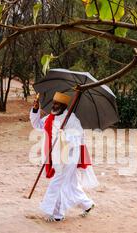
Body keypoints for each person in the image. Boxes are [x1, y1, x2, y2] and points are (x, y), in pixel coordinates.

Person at [30, 92, 98, 222]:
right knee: (70, 184)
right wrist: (35, 109)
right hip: (56, 155)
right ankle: (87, 204)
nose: (54, 106)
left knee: (58, 182)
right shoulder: (50, 117)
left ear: (63, 106)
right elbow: (37, 125)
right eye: (54, 103)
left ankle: (57, 214)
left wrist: (64, 135)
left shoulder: (71, 119)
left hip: (70, 156)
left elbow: (79, 136)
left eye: (57, 104)